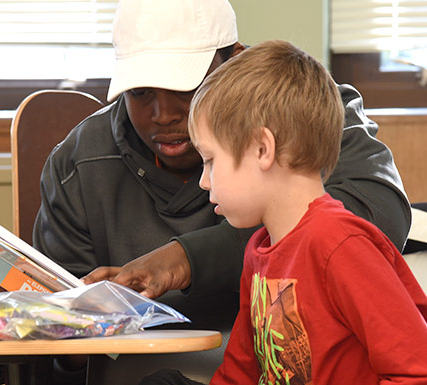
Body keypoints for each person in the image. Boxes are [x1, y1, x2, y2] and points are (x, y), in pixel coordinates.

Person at [31, 0, 411, 383]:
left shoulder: (308, 117)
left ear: (235, 62)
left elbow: (413, 362)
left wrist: (186, 258)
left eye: (183, 87)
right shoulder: (259, 254)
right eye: (141, 92)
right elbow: (240, 372)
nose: (162, 114)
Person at [139, 39, 427, 385]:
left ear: (263, 149)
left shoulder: (340, 245)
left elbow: (415, 370)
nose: (203, 181)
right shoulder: (259, 250)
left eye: (212, 161)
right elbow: (240, 373)